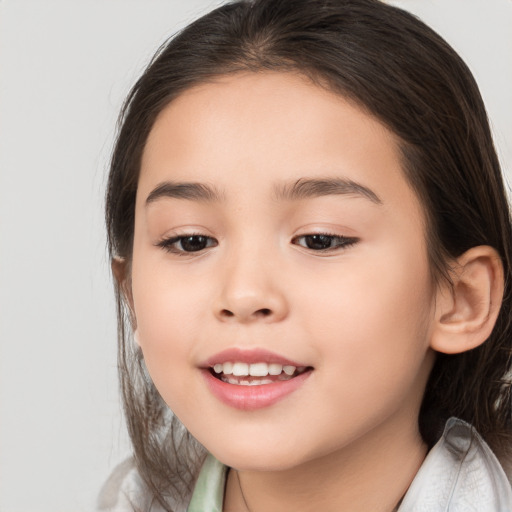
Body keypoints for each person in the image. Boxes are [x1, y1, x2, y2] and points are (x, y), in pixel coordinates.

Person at [97, 0, 512, 510]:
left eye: (319, 239)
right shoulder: (128, 500)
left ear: (461, 298)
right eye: (190, 241)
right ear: (131, 293)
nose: (244, 294)